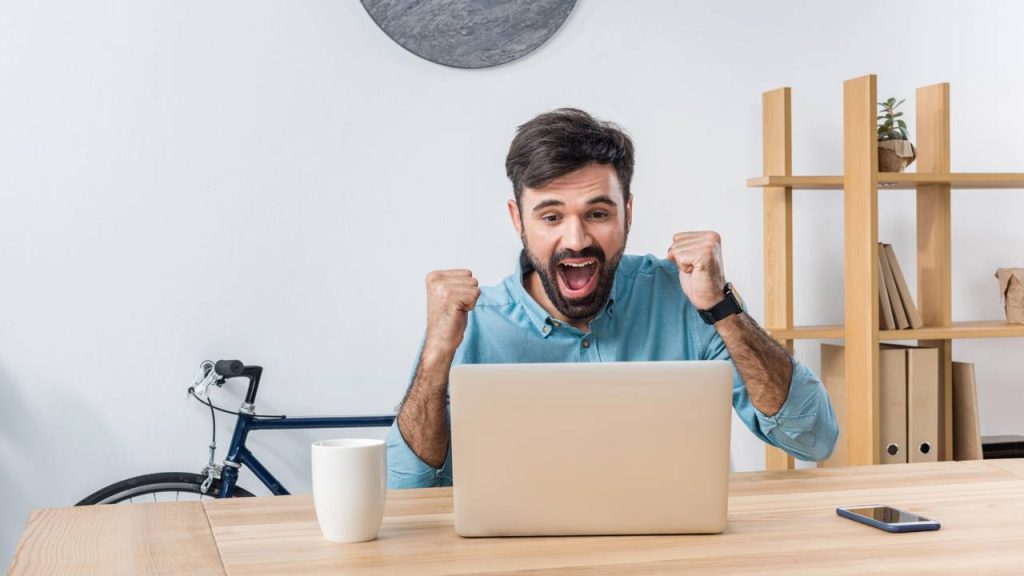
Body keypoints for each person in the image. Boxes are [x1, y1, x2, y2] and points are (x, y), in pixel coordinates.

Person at [386, 108, 838, 488]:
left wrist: (723, 309)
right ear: (518, 220)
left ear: (628, 213)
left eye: (598, 213)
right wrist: (436, 356)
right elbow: (406, 491)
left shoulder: (687, 298)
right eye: (551, 217)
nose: (576, 239)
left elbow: (813, 439)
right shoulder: (474, 322)